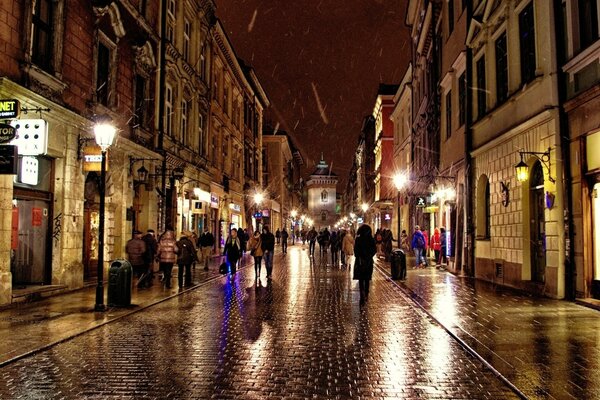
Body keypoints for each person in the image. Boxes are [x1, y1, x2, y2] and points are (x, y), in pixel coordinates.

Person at [353, 224, 377, 305]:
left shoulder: (358, 239)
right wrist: (369, 256)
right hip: (368, 262)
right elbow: (374, 250)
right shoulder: (371, 239)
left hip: (360, 261)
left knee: (361, 279)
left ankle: (362, 294)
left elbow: (355, 251)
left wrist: (359, 256)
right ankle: (366, 294)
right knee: (367, 278)